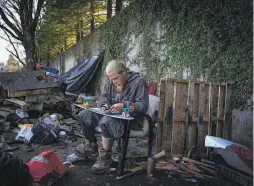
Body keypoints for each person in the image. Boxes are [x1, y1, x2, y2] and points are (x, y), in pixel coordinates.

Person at [73, 60, 149, 174]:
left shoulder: (138, 82)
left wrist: (124, 106)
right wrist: (104, 104)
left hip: (130, 118)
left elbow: (142, 106)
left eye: (116, 78)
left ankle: (105, 156)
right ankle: (91, 146)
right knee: (84, 115)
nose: (113, 82)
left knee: (106, 120)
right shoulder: (111, 82)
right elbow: (103, 97)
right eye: (111, 79)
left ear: (124, 72)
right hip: (111, 114)